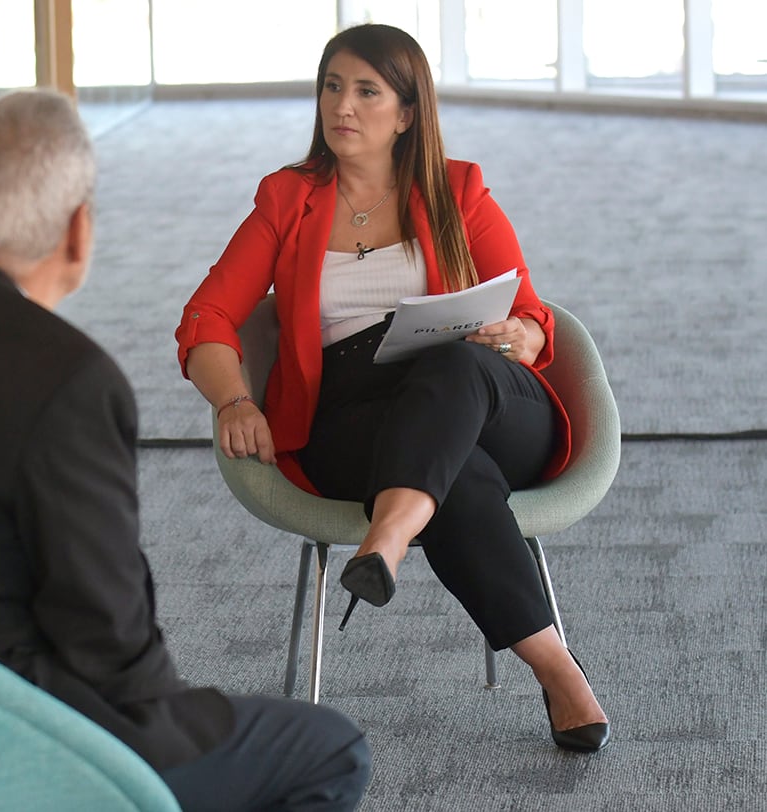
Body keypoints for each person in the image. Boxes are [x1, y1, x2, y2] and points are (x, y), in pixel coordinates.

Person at [0, 89, 370, 811]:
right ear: (78, 230)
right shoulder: (69, 377)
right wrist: (177, 720)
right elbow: (109, 644)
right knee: (328, 748)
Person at [175, 24, 610, 753]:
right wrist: (234, 398)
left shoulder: (458, 188)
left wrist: (525, 336)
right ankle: (560, 672)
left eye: (366, 91)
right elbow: (207, 316)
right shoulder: (289, 199)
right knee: (456, 475)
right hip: (356, 414)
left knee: (450, 370)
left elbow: (529, 309)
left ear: (407, 112)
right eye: (332, 86)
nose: (342, 105)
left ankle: (390, 535)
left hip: (486, 397)